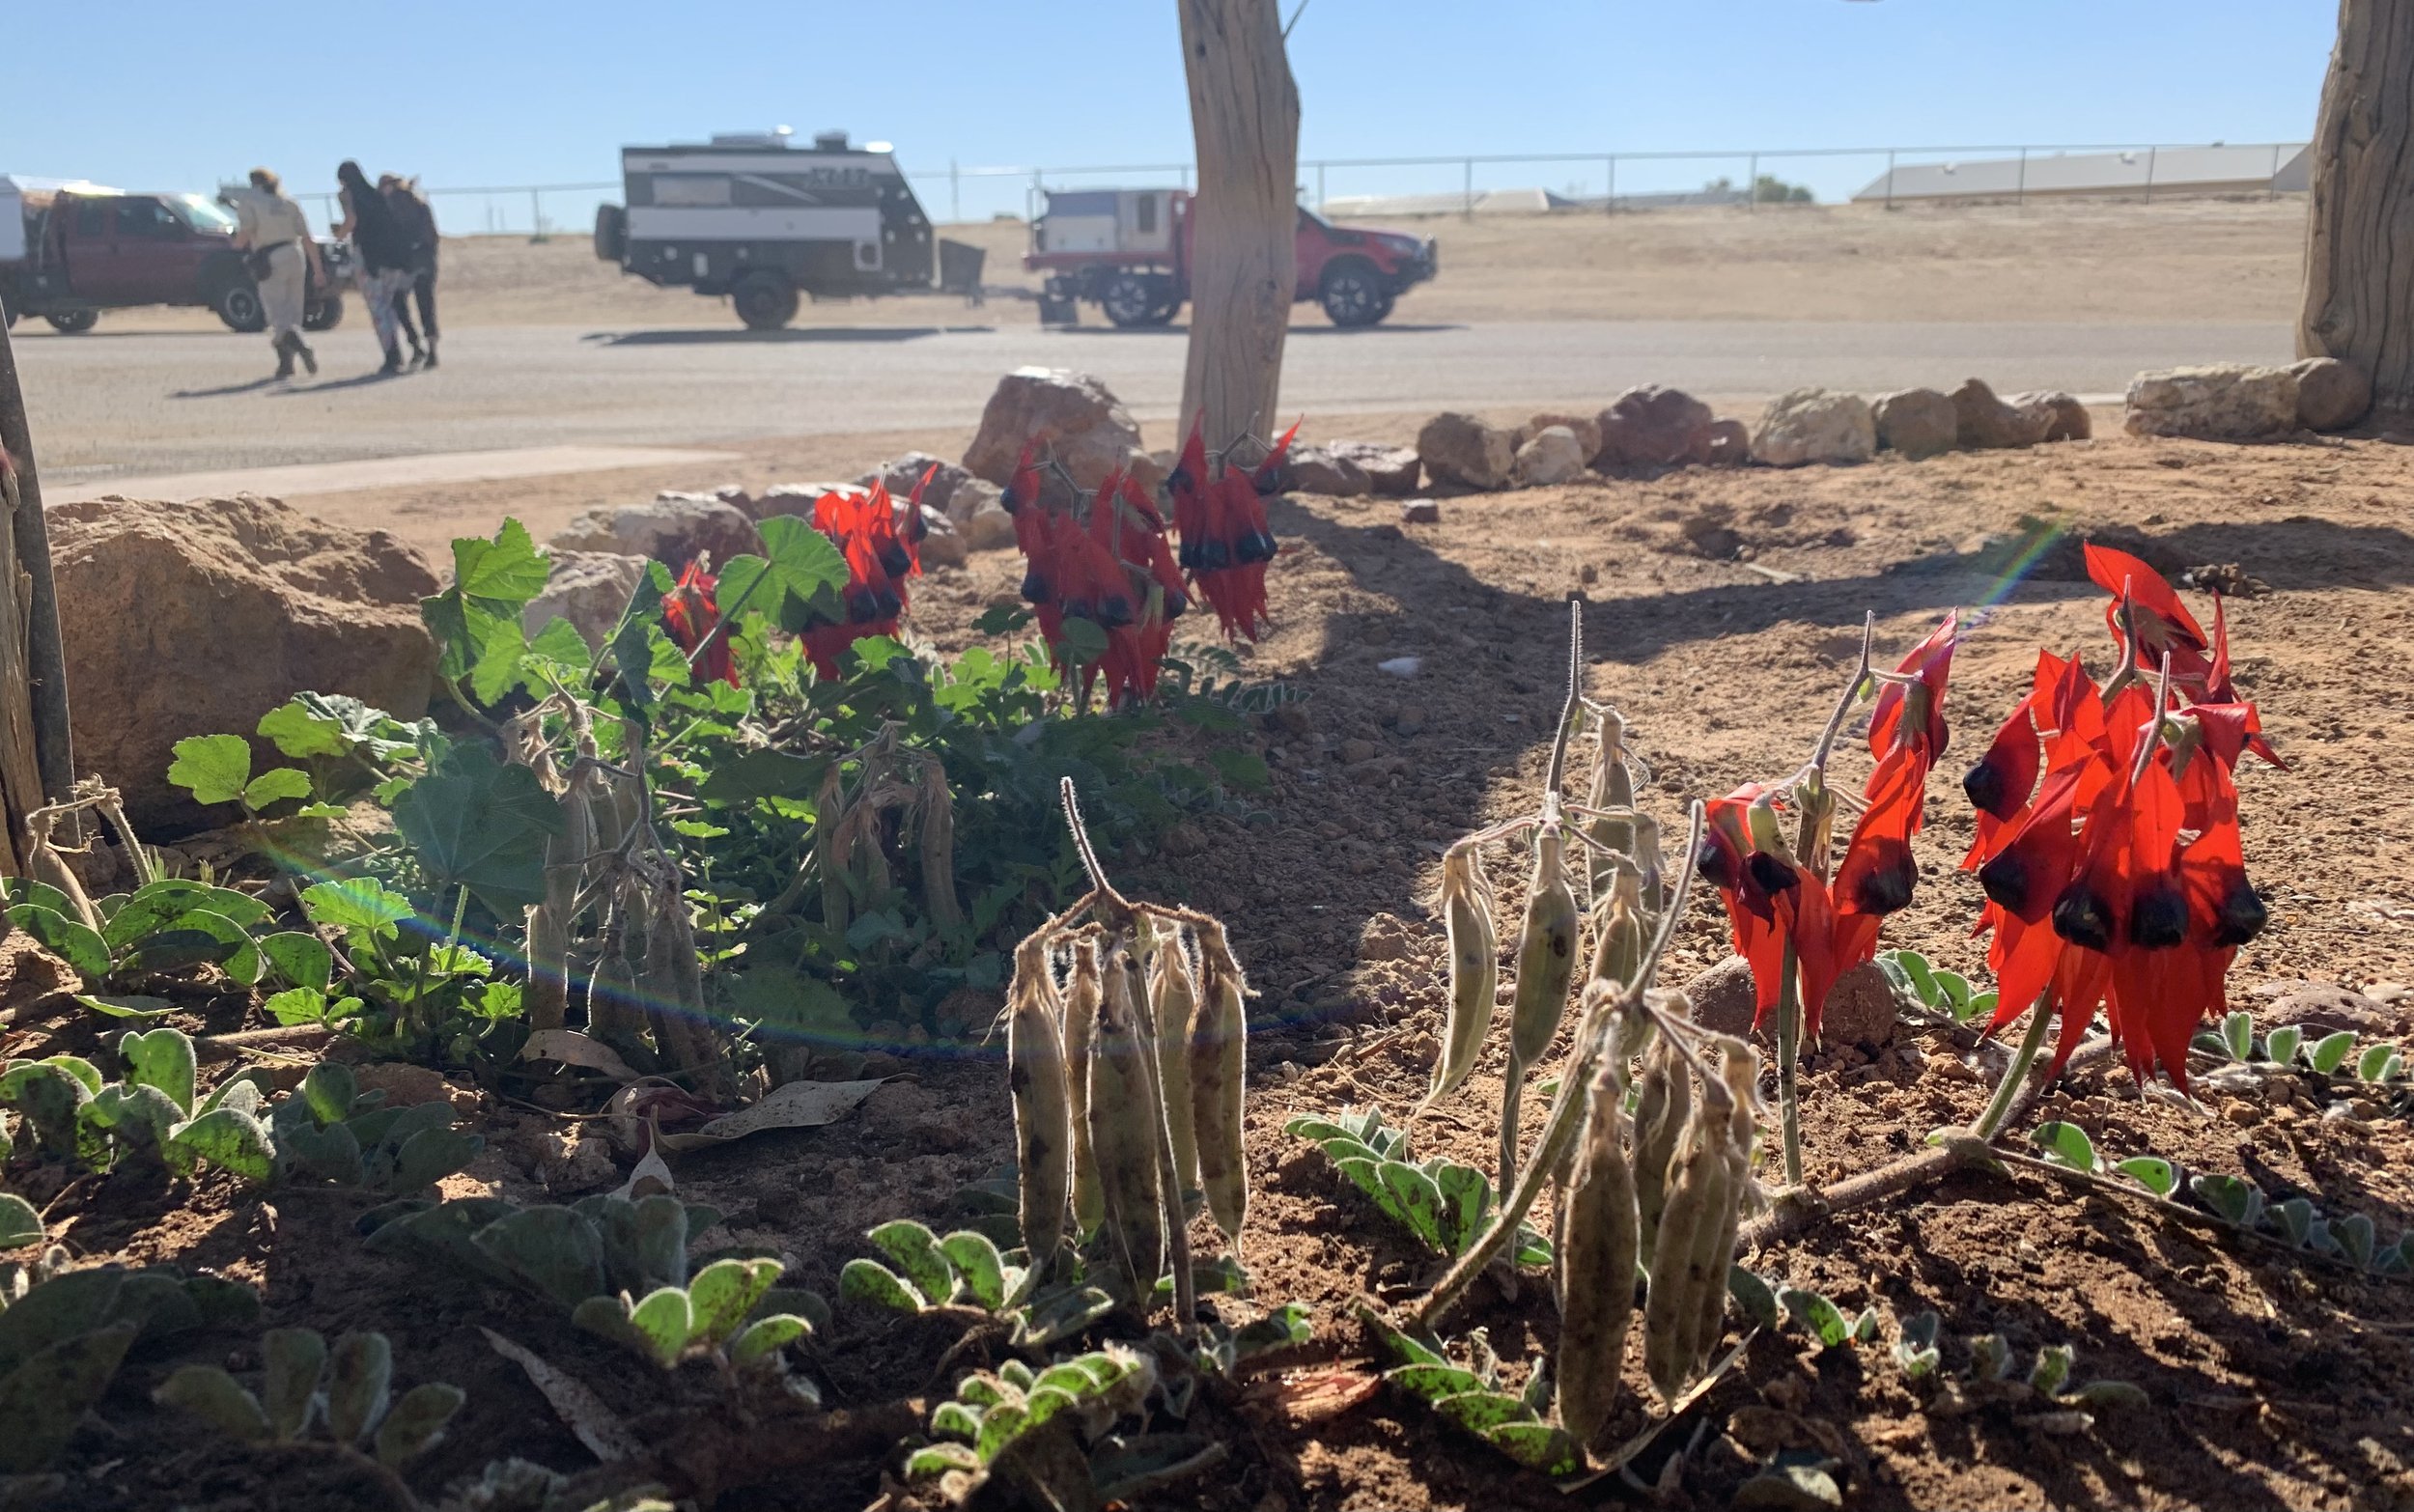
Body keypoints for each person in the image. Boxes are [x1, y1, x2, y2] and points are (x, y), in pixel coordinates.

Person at [229, 168, 322, 378]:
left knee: (276, 312)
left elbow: (247, 229)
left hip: (270, 257)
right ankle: (286, 365)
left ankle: (301, 345)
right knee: (293, 310)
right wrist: (318, 270)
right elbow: (307, 237)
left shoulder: (250, 200)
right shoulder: (288, 201)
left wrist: (235, 246)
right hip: (295, 254)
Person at [334, 159, 413, 376]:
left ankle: (392, 354)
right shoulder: (377, 196)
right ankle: (397, 348)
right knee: (390, 305)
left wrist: (339, 235)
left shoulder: (349, 196)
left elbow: (351, 220)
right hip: (390, 256)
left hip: (367, 256)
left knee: (378, 308)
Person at [380, 174, 440, 368]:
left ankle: (415, 343)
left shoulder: (392, 206)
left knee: (399, 301)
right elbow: (433, 235)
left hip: (407, 263)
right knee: (427, 304)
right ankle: (432, 350)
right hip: (427, 260)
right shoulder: (420, 204)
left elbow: (394, 238)